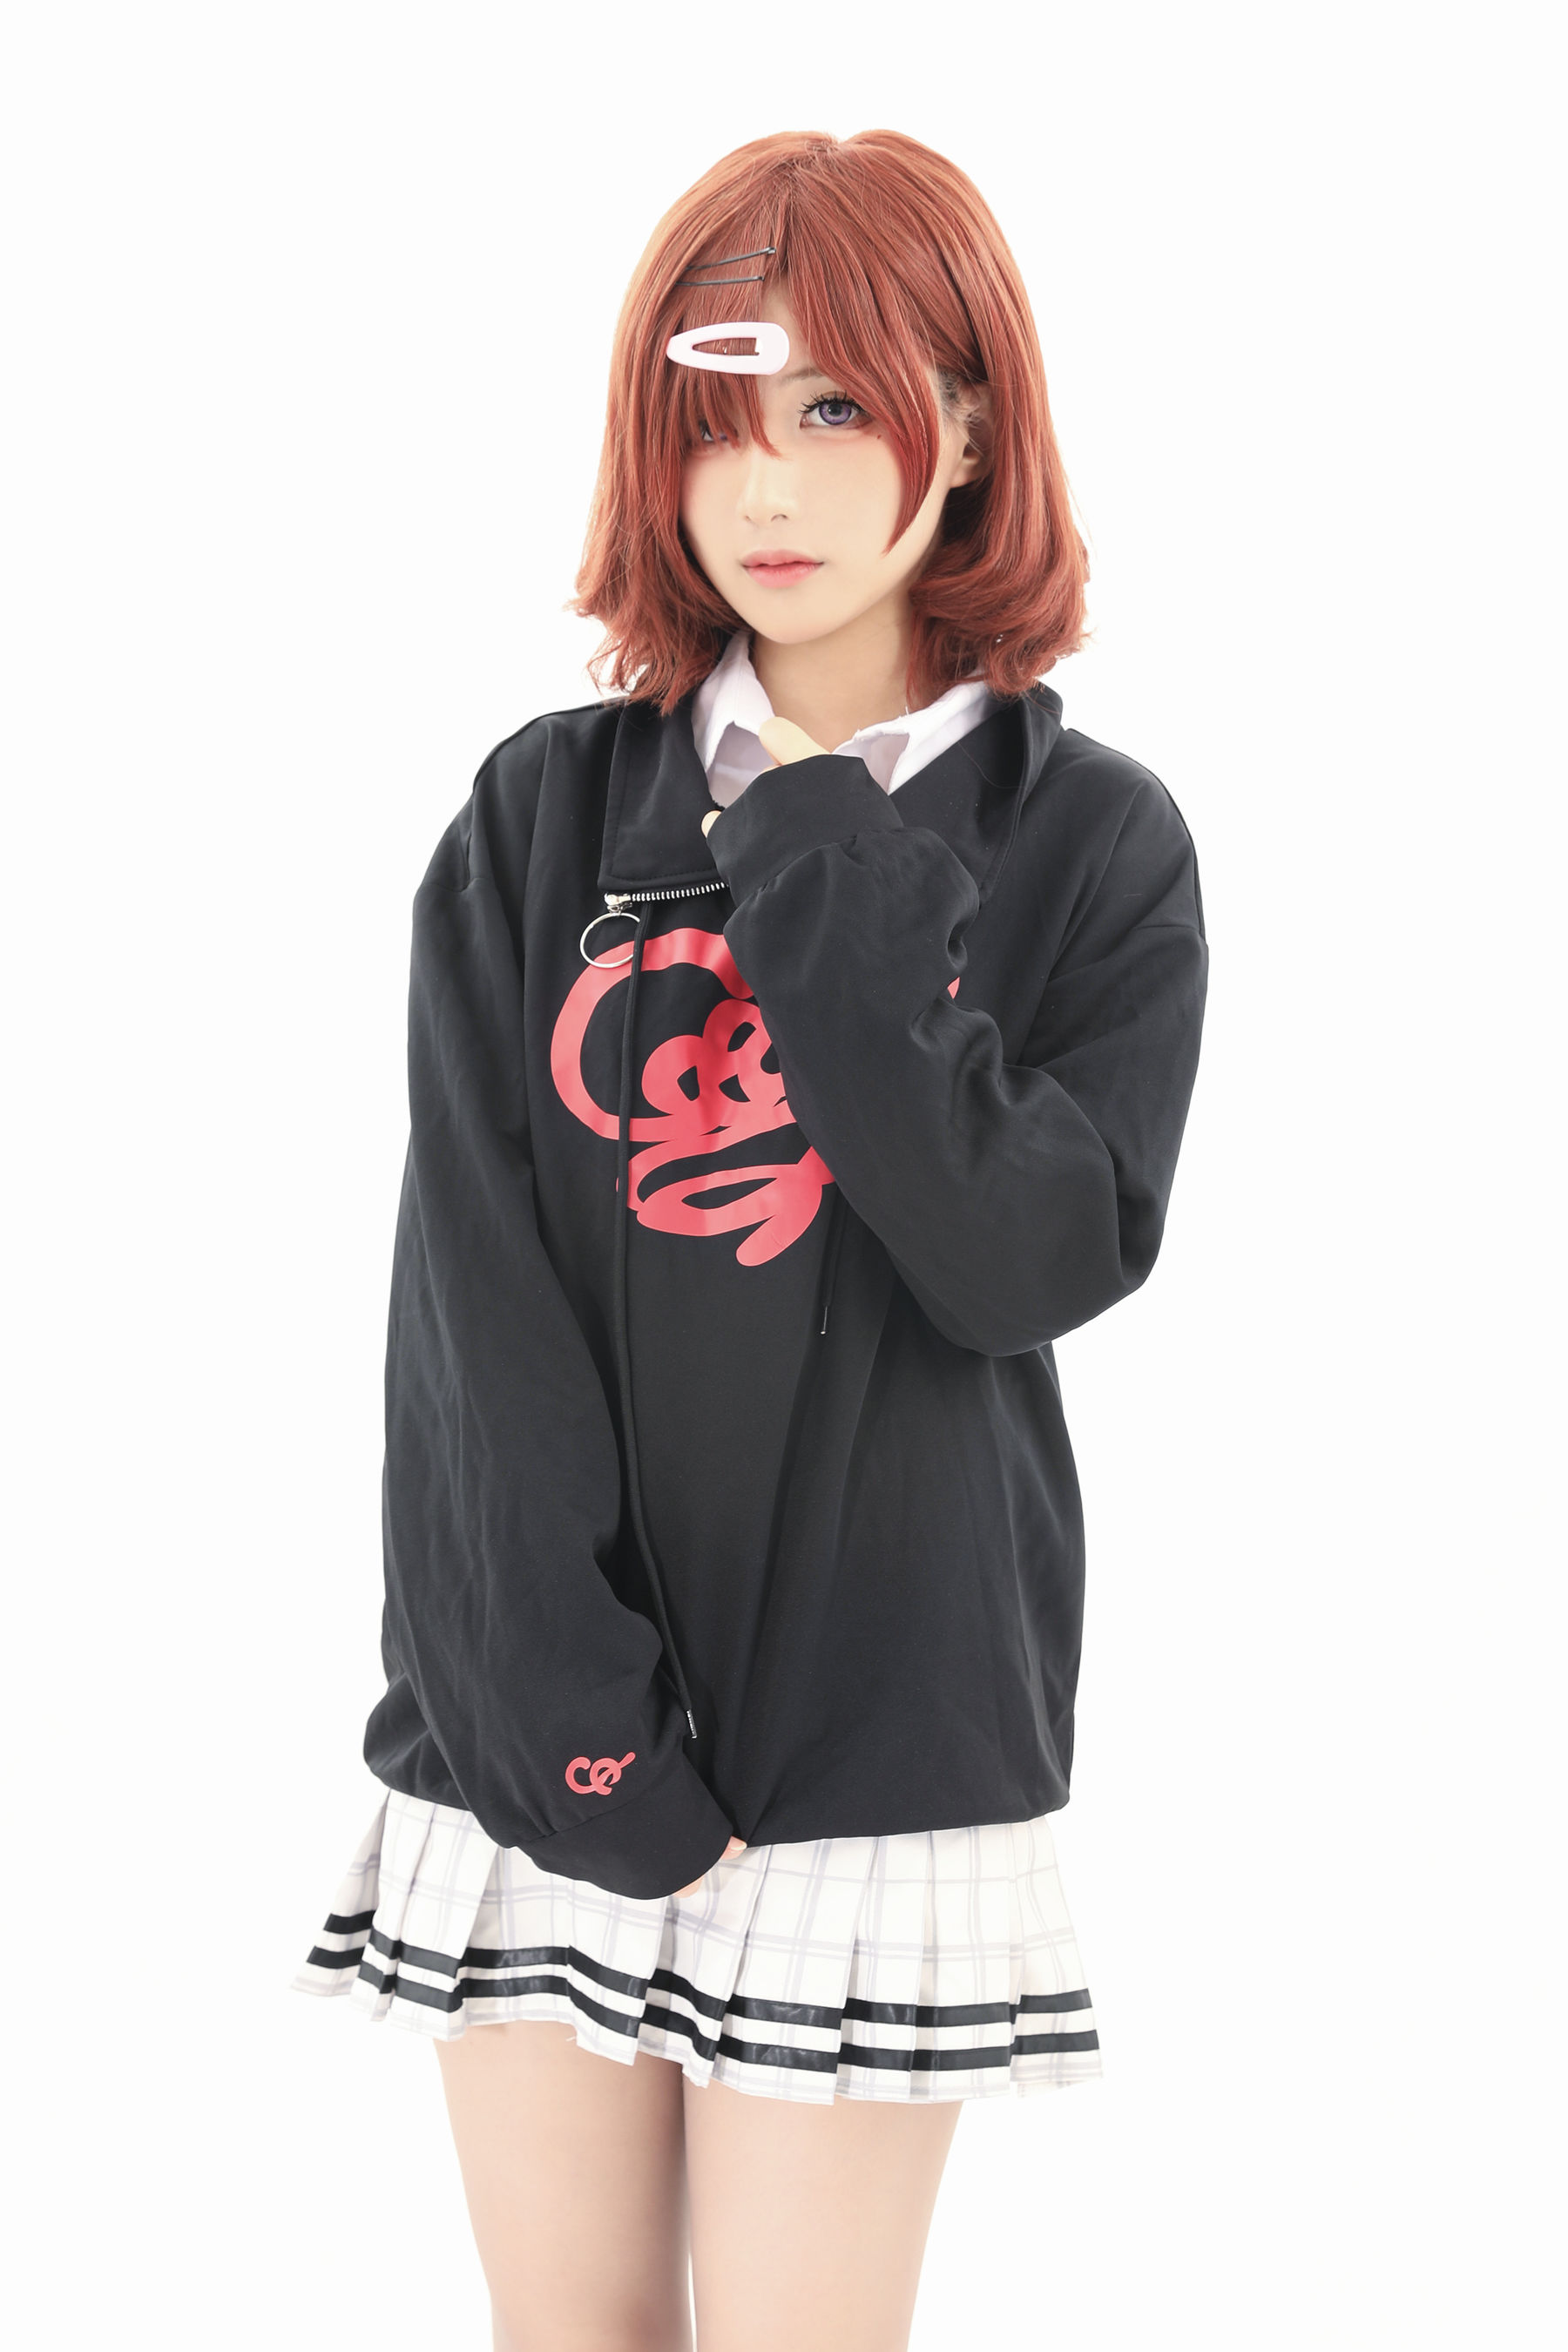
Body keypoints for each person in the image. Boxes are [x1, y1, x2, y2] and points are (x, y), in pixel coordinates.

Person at [294, 127, 1208, 2352]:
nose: (767, 485)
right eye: (714, 422)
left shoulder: (1091, 845)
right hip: (537, 1730)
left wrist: (808, 825)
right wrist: (580, 1731)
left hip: (878, 1755)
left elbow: (1023, 1255)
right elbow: (469, 1319)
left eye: (834, 405)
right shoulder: (543, 814)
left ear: (964, 425)